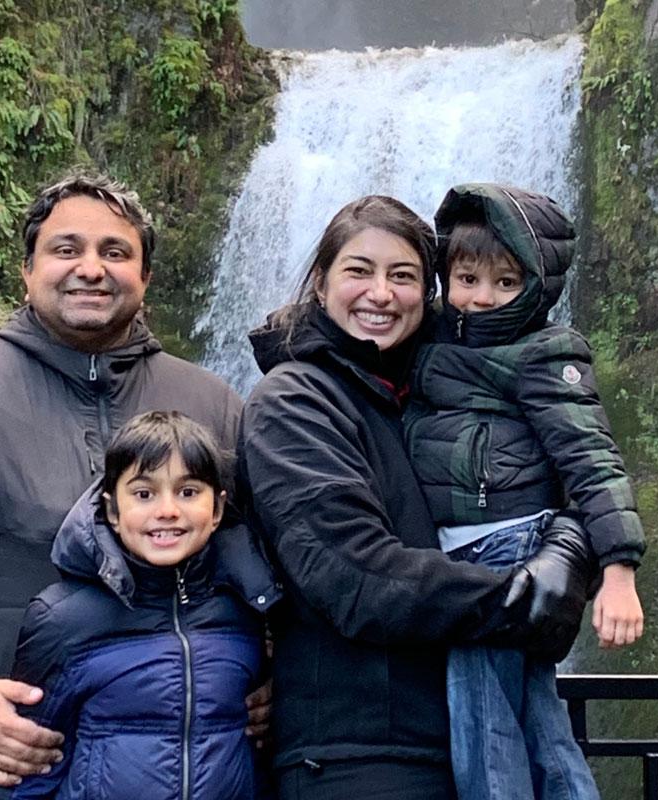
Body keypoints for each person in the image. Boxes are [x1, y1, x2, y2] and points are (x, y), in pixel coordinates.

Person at [0, 172, 264, 800]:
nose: (91, 268)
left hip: (183, 776)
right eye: (67, 249)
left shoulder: (213, 405)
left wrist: (274, 672)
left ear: (144, 278)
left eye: (115, 252)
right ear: (27, 270)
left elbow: (265, 558)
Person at [237, 195, 599, 799]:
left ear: (428, 294)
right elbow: (356, 577)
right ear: (321, 282)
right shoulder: (293, 401)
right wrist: (524, 598)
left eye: (402, 276)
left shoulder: (442, 392)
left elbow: (567, 479)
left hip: (476, 735)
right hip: (361, 759)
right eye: (359, 270)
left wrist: (568, 548)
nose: (380, 292)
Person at [404, 182, 646, 800]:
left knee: (483, 729)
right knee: (539, 724)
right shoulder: (429, 340)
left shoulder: (545, 352)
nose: (483, 298)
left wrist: (619, 572)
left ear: (535, 288)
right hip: (467, 552)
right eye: (467, 279)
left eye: (506, 283)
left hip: (504, 557)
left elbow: (592, 459)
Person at [0, 411, 277, 800]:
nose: (167, 511)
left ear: (217, 510)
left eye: (188, 492)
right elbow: (23, 766)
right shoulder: (63, 619)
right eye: (144, 494)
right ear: (112, 510)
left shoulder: (249, 607)